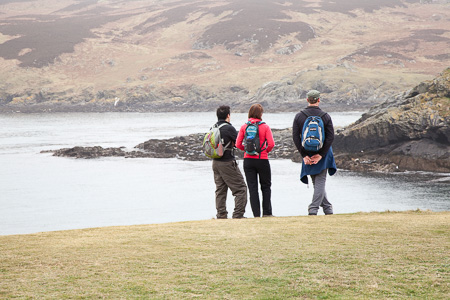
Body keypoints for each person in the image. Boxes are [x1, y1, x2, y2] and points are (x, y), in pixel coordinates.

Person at [292, 90, 337, 215]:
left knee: (317, 182)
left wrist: (304, 155)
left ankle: (319, 208)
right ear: (319, 100)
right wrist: (321, 154)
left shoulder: (299, 116)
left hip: (307, 152)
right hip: (324, 153)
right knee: (320, 181)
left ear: (307, 100)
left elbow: (296, 137)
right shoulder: (325, 116)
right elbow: (330, 137)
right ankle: (320, 209)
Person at [236, 104, 275, 217]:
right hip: (262, 159)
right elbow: (271, 144)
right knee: (266, 186)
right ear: (260, 114)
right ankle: (267, 213)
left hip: (248, 161)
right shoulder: (265, 127)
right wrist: (265, 151)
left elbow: (238, 144)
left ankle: (256, 215)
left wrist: (247, 151)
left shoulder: (244, 127)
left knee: (253, 188)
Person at [212, 105, 248, 219]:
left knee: (220, 190)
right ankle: (238, 214)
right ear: (228, 115)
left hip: (215, 162)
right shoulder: (229, 128)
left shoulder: (213, 127)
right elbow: (238, 143)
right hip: (227, 162)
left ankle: (221, 214)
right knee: (240, 188)